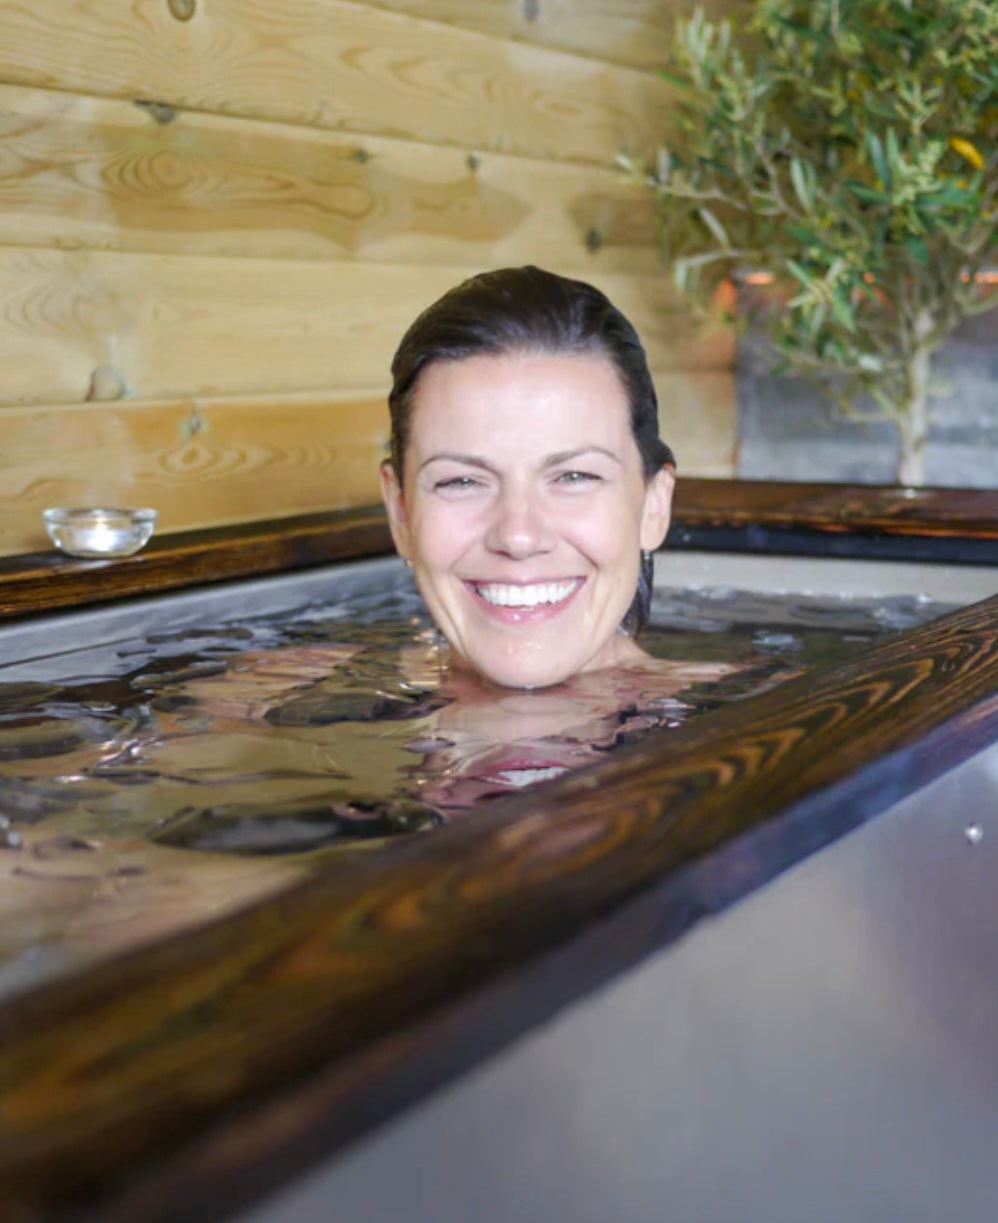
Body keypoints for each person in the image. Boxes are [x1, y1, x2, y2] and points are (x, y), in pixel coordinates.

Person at [379, 265, 678, 691]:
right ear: (400, 512)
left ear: (653, 507)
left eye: (574, 476)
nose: (518, 537)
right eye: (462, 482)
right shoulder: (294, 699)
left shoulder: (748, 731)